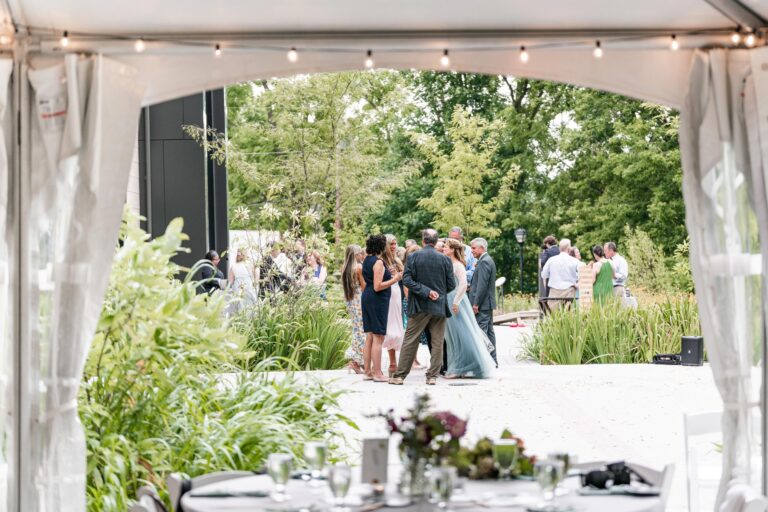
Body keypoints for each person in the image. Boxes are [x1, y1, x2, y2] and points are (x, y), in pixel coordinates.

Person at [390, 229, 455, 386]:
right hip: (439, 306)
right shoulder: (445, 259)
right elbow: (451, 284)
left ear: (423, 240)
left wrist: (426, 292)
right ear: (435, 240)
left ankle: (399, 376)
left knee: (410, 340)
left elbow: (407, 280)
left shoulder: (413, 257)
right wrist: (435, 293)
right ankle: (432, 376)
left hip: (419, 306)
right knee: (438, 342)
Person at [441, 239, 496, 378]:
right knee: (452, 337)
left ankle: (461, 368)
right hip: (448, 299)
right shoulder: (448, 263)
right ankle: (457, 367)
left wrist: (456, 302)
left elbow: (463, 284)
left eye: (446, 247)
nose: (443, 249)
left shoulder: (458, 265)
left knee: (463, 335)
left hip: (456, 300)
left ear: (453, 249)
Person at [361, 234, 402, 382]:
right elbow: (378, 286)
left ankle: (367, 372)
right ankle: (377, 373)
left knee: (370, 336)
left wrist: (388, 274)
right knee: (378, 336)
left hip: (367, 297)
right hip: (376, 299)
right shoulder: (378, 262)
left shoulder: (367, 259)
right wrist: (395, 279)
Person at [468, 238, 498, 366]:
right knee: (489, 333)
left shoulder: (484, 262)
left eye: (474, 248)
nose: (472, 251)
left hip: (482, 304)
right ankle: (492, 361)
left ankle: (485, 362)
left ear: (482, 248)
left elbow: (482, 285)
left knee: (481, 333)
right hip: (486, 303)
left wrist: (476, 304)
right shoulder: (485, 260)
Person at [341, 244, 366, 374]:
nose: (362, 255)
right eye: (360, 253)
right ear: (355, 255)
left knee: (356, 328)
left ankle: (357, 361)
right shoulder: (359, 268)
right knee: (362, 330)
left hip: (350, 300)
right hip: (359, 299)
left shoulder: (344, 268)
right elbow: (364, 286)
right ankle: (358, 361)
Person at [383, 234, 405, 376]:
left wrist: (399, 272)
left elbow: (405, 275)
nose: (393, 246)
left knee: (397, 325)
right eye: (390, 244)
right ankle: (391, 362)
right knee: (387, 327)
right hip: (386, 293)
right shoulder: (381, 261)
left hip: (397, 293)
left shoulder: (397, 260)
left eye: (395, 243)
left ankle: (395, 361)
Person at [541, 238, 580, 310]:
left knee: (553, 316)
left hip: (554, 292)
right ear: (569, 248)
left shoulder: (551, 260)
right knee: (569, 315)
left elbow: (544, 275)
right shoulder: (574, 261)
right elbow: (582, 274)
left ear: (559, 248)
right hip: (569, 292)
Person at [228, 249, 256, 313]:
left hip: (238, 288)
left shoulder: (233, 266)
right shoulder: (251, 265)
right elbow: (256, 278)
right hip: (249, 287)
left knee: (239, 306)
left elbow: (230, 281)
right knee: (250, 306)